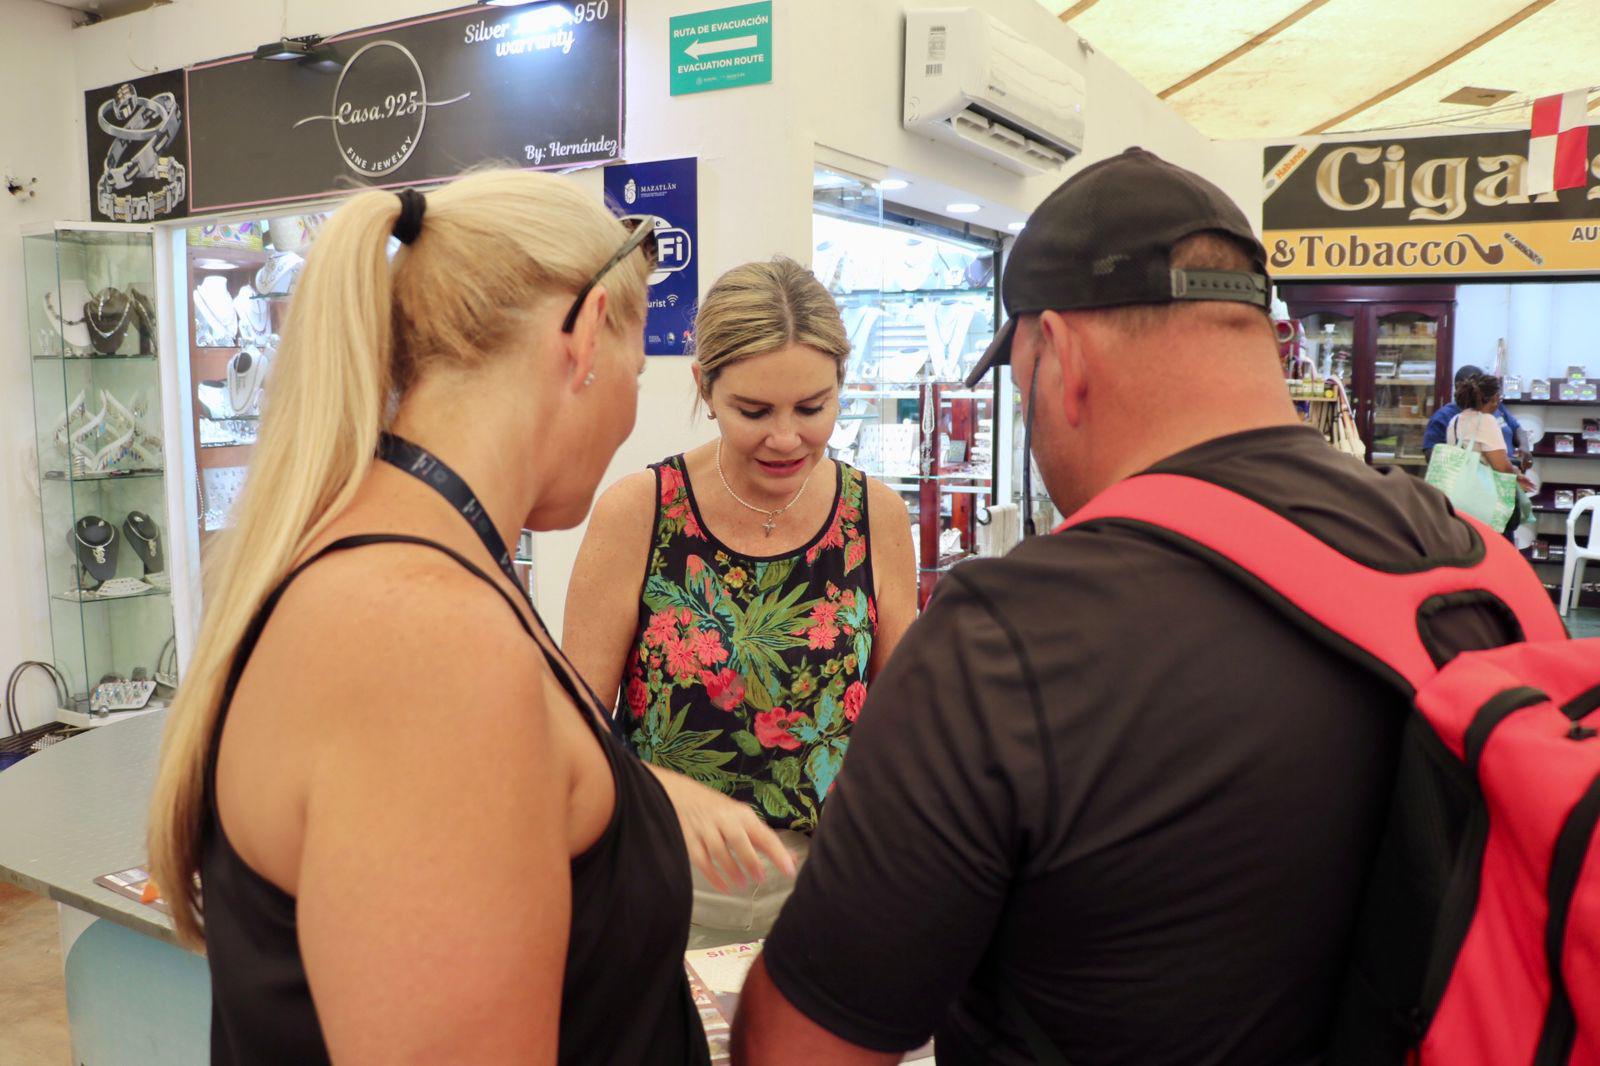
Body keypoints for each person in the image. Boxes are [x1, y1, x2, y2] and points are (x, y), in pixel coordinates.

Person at [732, 148, 1519, 1064]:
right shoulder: (1479, 568)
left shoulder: (1010, 639)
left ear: (1058, 355)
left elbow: (801, 1048)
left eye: (1020, 387)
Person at [149, 173, 710, 1064]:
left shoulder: (421, 569)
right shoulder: (421, 631)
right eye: (638, 374)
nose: (629, 415)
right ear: (587, 332)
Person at [564, 257, 917, 943]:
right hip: (668, 879)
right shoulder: (642, 511)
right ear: (704, 386)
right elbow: (568, 729)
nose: (786, 439)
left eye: (812, 408)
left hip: (833, 884)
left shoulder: (874, 515)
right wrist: (667, 791)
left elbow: (908, 722)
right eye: (753, 411)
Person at [1445, 371, 1535, 535]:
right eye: (1498, 398)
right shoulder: (1486, 421)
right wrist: (1517, 477)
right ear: (1493, 399)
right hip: (1485, 502)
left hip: (1460, 498)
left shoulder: (1455, 420)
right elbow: (1502, 467)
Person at [1423, 363, 1525, 466]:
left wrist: (1524, 448)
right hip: (1474, 477)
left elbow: (1517, 429)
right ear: (1459, 388)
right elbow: (1431, 455)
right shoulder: (1444, 417)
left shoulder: (1494, 406)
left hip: (1503, 472)